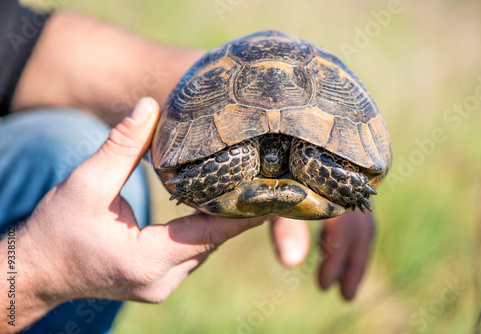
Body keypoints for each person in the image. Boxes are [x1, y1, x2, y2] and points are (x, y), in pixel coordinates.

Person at [0, 2, 375, 333]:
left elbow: (15, 45)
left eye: (282, 150)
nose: (272, 158)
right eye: (265, 150)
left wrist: (341, 169)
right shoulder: (242, 157)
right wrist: (37, 273)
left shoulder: (304, 156)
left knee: (68, 149)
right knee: (102, 177)